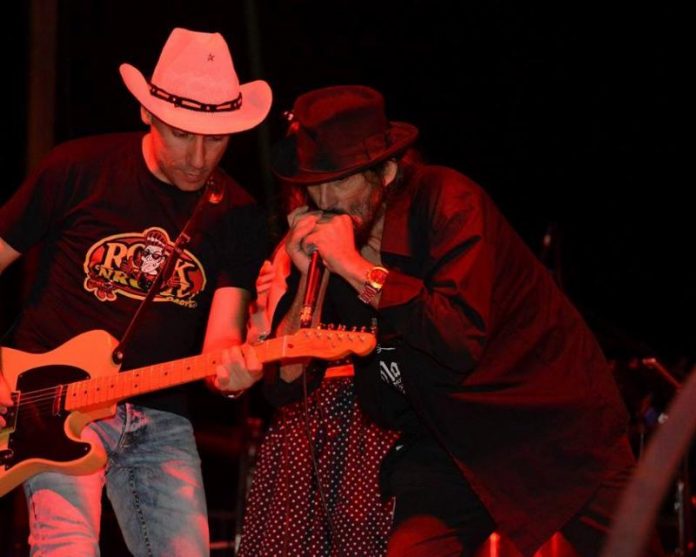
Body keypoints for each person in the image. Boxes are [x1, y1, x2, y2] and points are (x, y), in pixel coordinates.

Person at [248, 84, 662, 557]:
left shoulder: (448, 202)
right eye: (313, 184)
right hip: (446, 442)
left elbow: (456, 337)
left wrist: (356, 269)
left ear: (386, 173)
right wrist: (309, 278)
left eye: (339, 181)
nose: (325, 200)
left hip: (545, 423)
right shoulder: (333, 252)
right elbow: (286, 383)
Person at [0, 27, 270, 556]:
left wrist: (235, 377)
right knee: (69, 545)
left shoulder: (238, 215)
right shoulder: (77, 169)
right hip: (48, 402)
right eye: (182, 135)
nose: (198, 158)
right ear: (147, 112)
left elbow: (221, 340)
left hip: (161, 414)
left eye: (216, 140)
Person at [237, 202, 399, 556]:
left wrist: (349, 262)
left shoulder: (397, 237)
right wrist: (307, 275)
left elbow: (400, 313)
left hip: (376, 416)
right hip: (306, 420)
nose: (330, 195)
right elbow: (281, 361)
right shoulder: (295, 245)